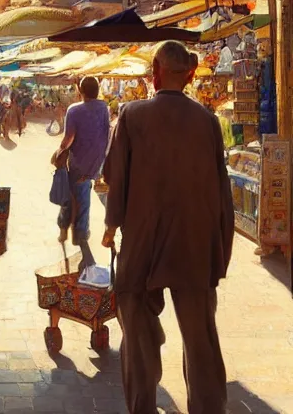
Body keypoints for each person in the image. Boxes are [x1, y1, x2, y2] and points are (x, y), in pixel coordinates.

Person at [102, 41, 234, 414]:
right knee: (200, 340)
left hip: (144, 242)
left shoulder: (132, 114)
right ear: (190, 74)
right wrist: (219, 252)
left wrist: (112, 225)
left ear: (156, 71)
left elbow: (116, 178)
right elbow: (222, 190)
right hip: (195, 245)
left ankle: (143, 405)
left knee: (138, 334)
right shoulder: (207, 121)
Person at [55, 76, 110, 270]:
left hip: (78, 162)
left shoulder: (74, 110)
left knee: (71, 197)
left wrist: (59, 152)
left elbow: (69, 137)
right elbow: (106, 135)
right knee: (82, 197)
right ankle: (78, 233)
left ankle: (68, 230)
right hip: (95, 163)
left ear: (81, 90)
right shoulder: (104, 108)